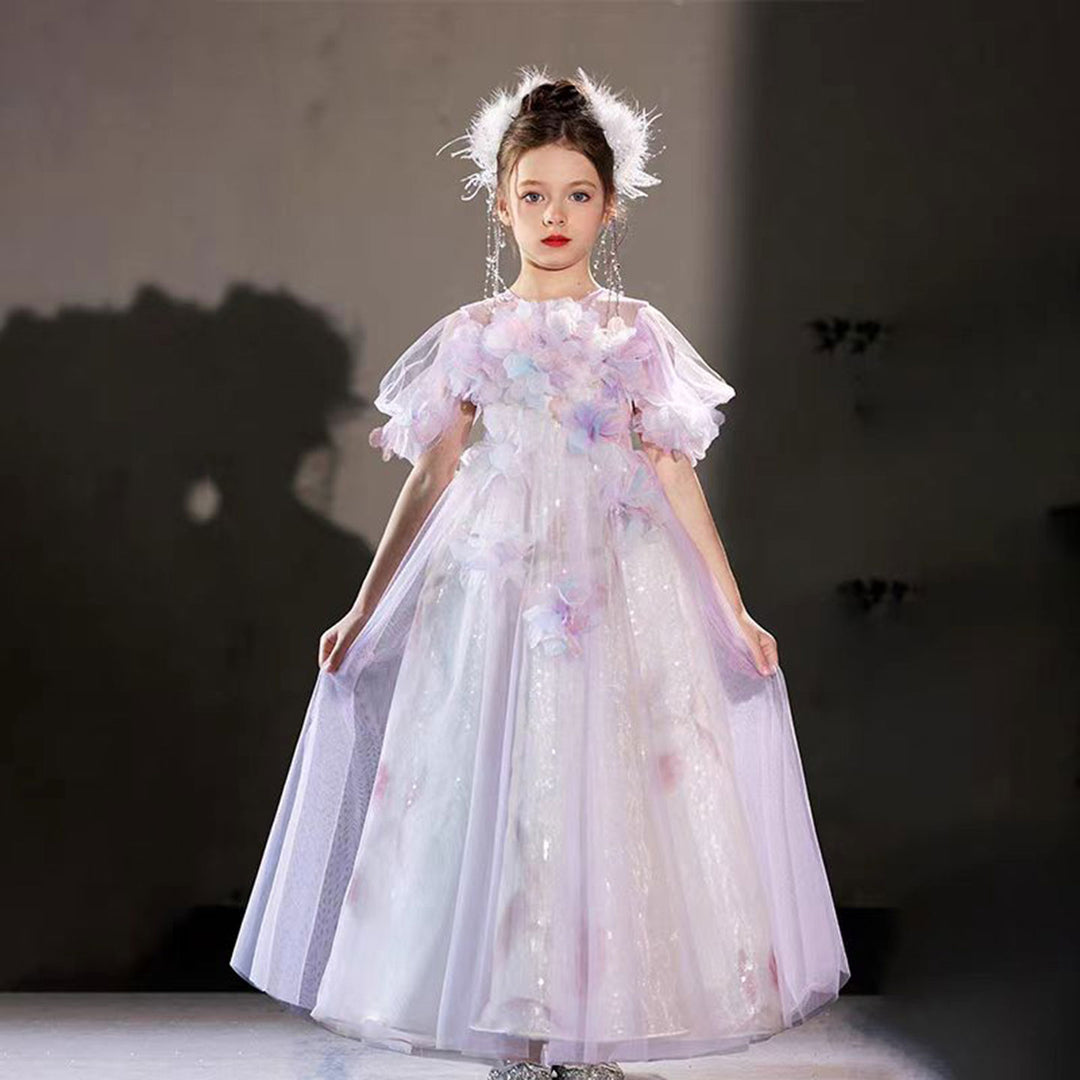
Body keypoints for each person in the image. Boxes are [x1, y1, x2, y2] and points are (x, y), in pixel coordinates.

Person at [230, 67, 850, 1080]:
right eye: (533, 194)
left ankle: (592, 1021)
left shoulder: (634, 332)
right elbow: (432, 475)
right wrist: (364, 605)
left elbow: (672, 469)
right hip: (498, 583)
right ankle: (517, 1027)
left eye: (576, 195)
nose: (554, 216)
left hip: (617, 579)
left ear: (610, 207)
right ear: (500, 203)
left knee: (613, 782)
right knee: (501, 779)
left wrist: (732, 608)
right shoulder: (472, 336)